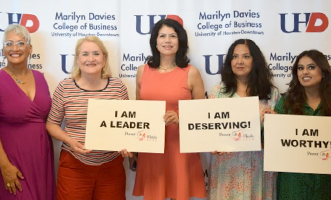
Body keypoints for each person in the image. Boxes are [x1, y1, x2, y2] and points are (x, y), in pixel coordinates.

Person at [46, 35, 131, 200]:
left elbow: (126, 126)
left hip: (111, 165)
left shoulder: (118, 87)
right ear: (77, 59)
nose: (91, 59)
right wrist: (71, 141)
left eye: (96, 54)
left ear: (104, 59)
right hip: (74, 164)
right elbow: (51, 125)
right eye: (85, 54)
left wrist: (127, 143)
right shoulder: (65, 87)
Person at [132, 18, 207, 200]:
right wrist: (134, 150)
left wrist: (181, 118)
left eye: (172, 36)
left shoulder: (191, 73)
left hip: (180, 148)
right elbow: (138, 111)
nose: (167, 40)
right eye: (162, 36)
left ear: (180, 41)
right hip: (151, 148)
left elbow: (203, 116)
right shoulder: (143, 71)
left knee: (179, 194)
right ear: (155, 42)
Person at [0, 24, 55, 200]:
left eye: (20, 43)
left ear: (30, 49)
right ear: (3, 50)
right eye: (9, 44)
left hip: (41, 157)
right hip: (11, 159)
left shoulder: (40, 77)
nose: (15, 48)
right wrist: (5, 166)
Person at [208, 39, 279, 200]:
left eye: (246, 56)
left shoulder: (271, 94)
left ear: (255, 60)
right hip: (226, 168)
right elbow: (209, 132)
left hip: (258, 168)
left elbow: (279, 139)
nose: (239, 61)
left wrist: (274, 124)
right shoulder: (218, 92)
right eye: (235, 57)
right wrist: (212, 143)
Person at [275, 49, 331, 200]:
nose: (305, 72)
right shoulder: (286, 103)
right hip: (293, 184)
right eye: (300, 68)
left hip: (325, 183)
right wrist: (269, 124)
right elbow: (270, 141)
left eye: (311, 67)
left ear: (324, 72)